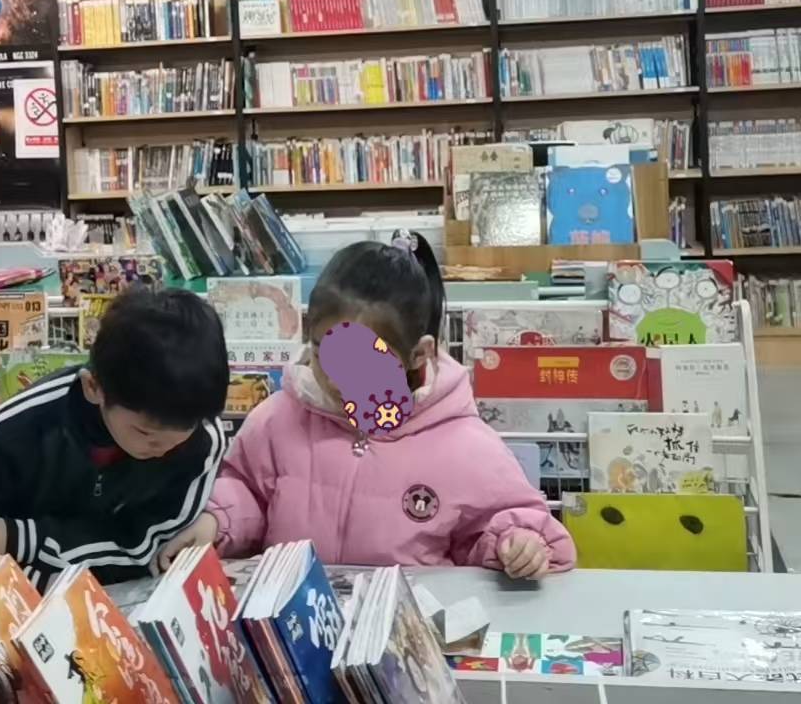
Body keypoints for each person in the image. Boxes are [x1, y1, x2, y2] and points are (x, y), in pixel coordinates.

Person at [159, 232, 575, 579]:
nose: (338, 379)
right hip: (297, 624)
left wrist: (516, 542)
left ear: (418, 354)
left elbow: (501, 521)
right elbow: (247, 489)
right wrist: (217, 521)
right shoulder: (277, 418)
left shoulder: (466, 445)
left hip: (405, 632)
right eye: (323, 354)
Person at [0, 286, 229, 587]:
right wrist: (23, 585)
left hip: (118, 595)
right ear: (93, 388)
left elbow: (150, 544)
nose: (162, 449)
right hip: (13, 599)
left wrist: (23, 540)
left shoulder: (203, 437)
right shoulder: (18, 428)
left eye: (180, 435)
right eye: (145, 432)